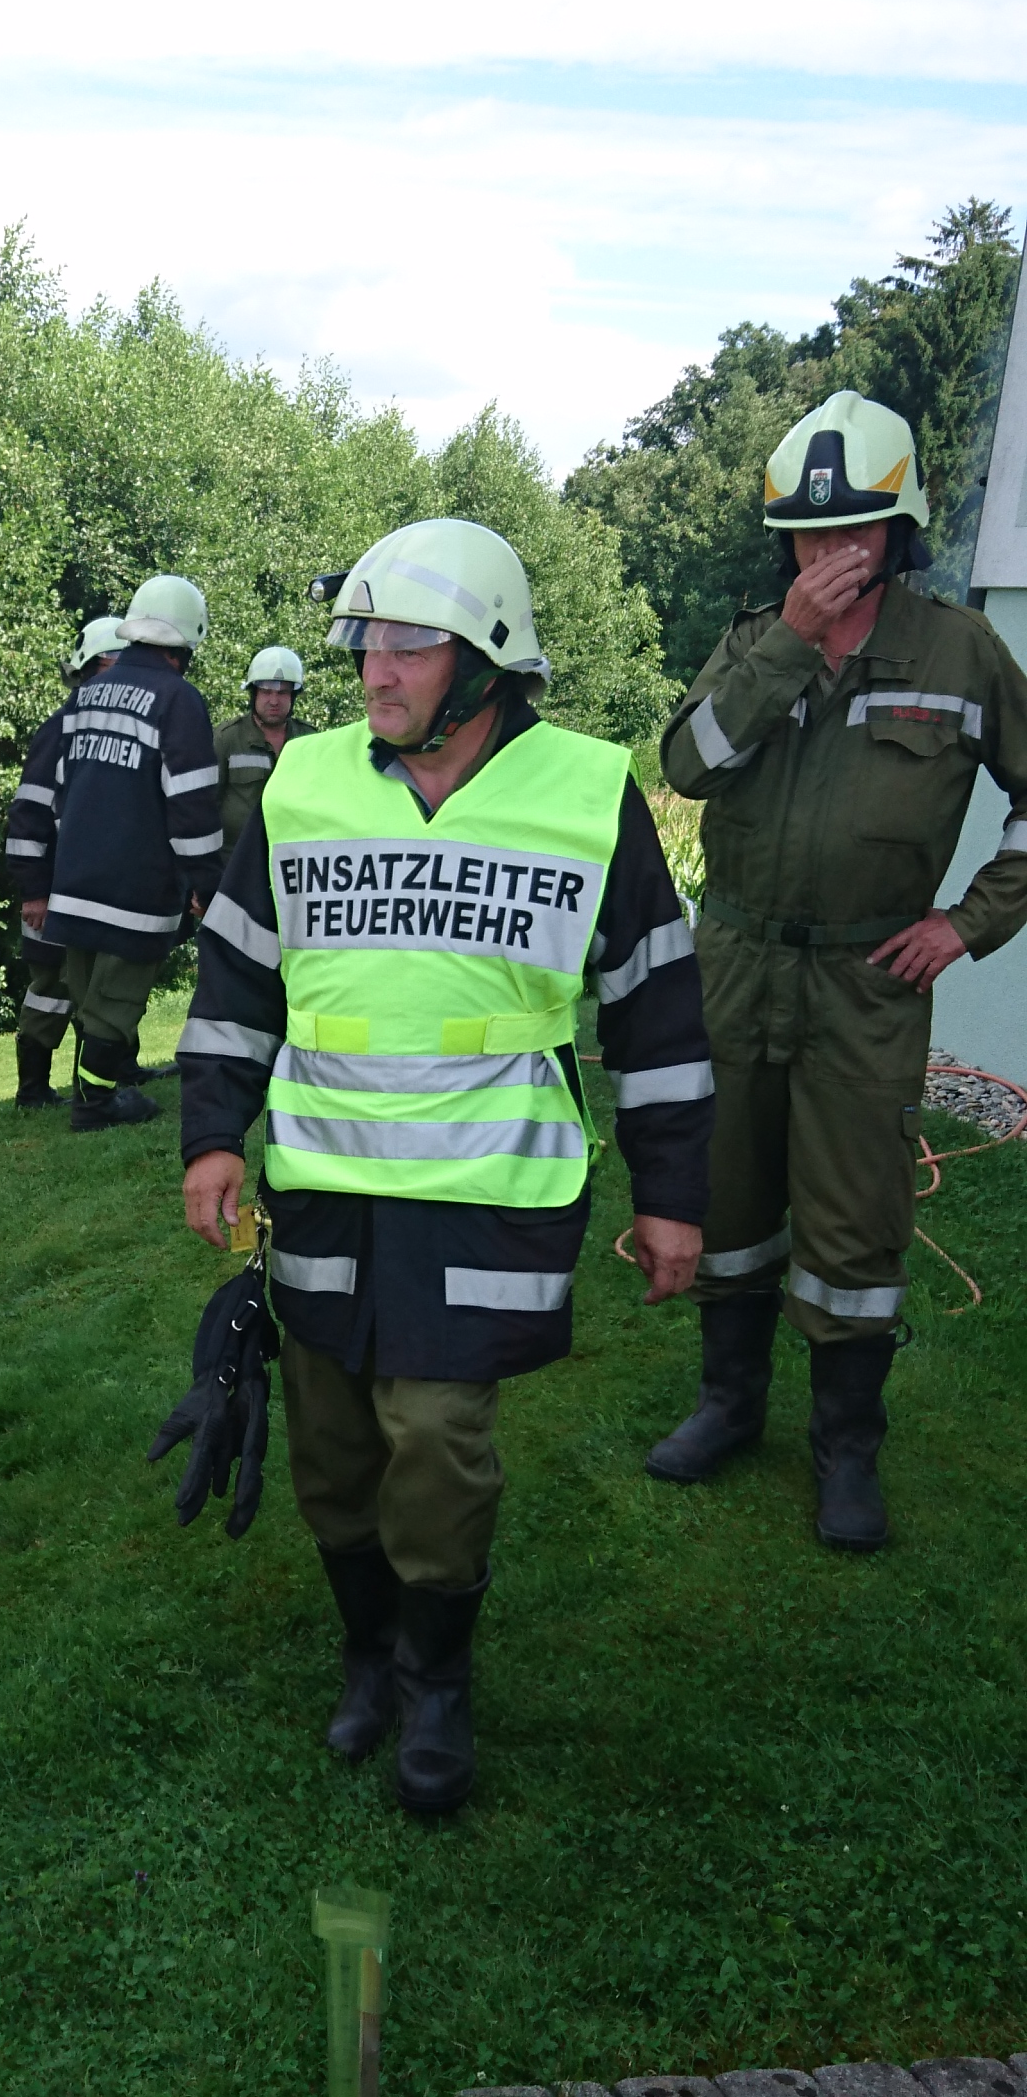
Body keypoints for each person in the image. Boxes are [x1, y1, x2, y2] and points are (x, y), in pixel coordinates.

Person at [180, 519, 711, 1813]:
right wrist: (212, 1131)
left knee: (434, 1436)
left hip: (489, 1195)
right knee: (330, 1450)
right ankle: (367, 1649)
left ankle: (435, 1677)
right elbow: (241, 972)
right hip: (326, 1185)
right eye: (365, 642)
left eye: (407, 645)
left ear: (484, 661)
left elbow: (655, 1005)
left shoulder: (584, 793)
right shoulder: (305, 783)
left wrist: (674, 1196)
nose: (374, 669)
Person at [650, 392, 1027, 1549]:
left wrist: (968, 924)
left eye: (853, 530)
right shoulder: (752, 640)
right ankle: (728, 1406)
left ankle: (846, 1451)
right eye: (807, 535)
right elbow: (687, 763)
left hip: (867, 985)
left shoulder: (960, 651)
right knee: (728, 1200)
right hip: (738, 965)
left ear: (899, 532)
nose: (828, 555)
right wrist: (786, 646)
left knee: (857, 1225)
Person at [26, 574, 225, 1131]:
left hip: (75, 876)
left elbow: (58, 786)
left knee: (88, 991)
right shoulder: (179, 699)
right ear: (186, 639)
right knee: (116, 1001)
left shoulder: (87, 695)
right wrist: (207, 883)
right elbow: (191, 803)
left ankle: (92, 1094)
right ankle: (94, 1104)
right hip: (136, 882)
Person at [3, 615, 129, 1108]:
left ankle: (96, 1083)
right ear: (91, 669)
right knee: (51, 983)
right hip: (54, 887)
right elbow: (28, 813)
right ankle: (33, 1088)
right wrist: (34, 890)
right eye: (119, 666)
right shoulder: (60, 730)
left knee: (97, 984)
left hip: (94, 886)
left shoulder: (117, 729)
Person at [212, 647, 308, 850]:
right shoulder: (226, 738)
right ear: (253, 694)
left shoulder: (308, 739)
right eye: (266, 692)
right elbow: (205, 805)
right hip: (234, 858)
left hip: (291, 856)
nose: (274, 701)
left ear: (293, 696)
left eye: (282, 693)